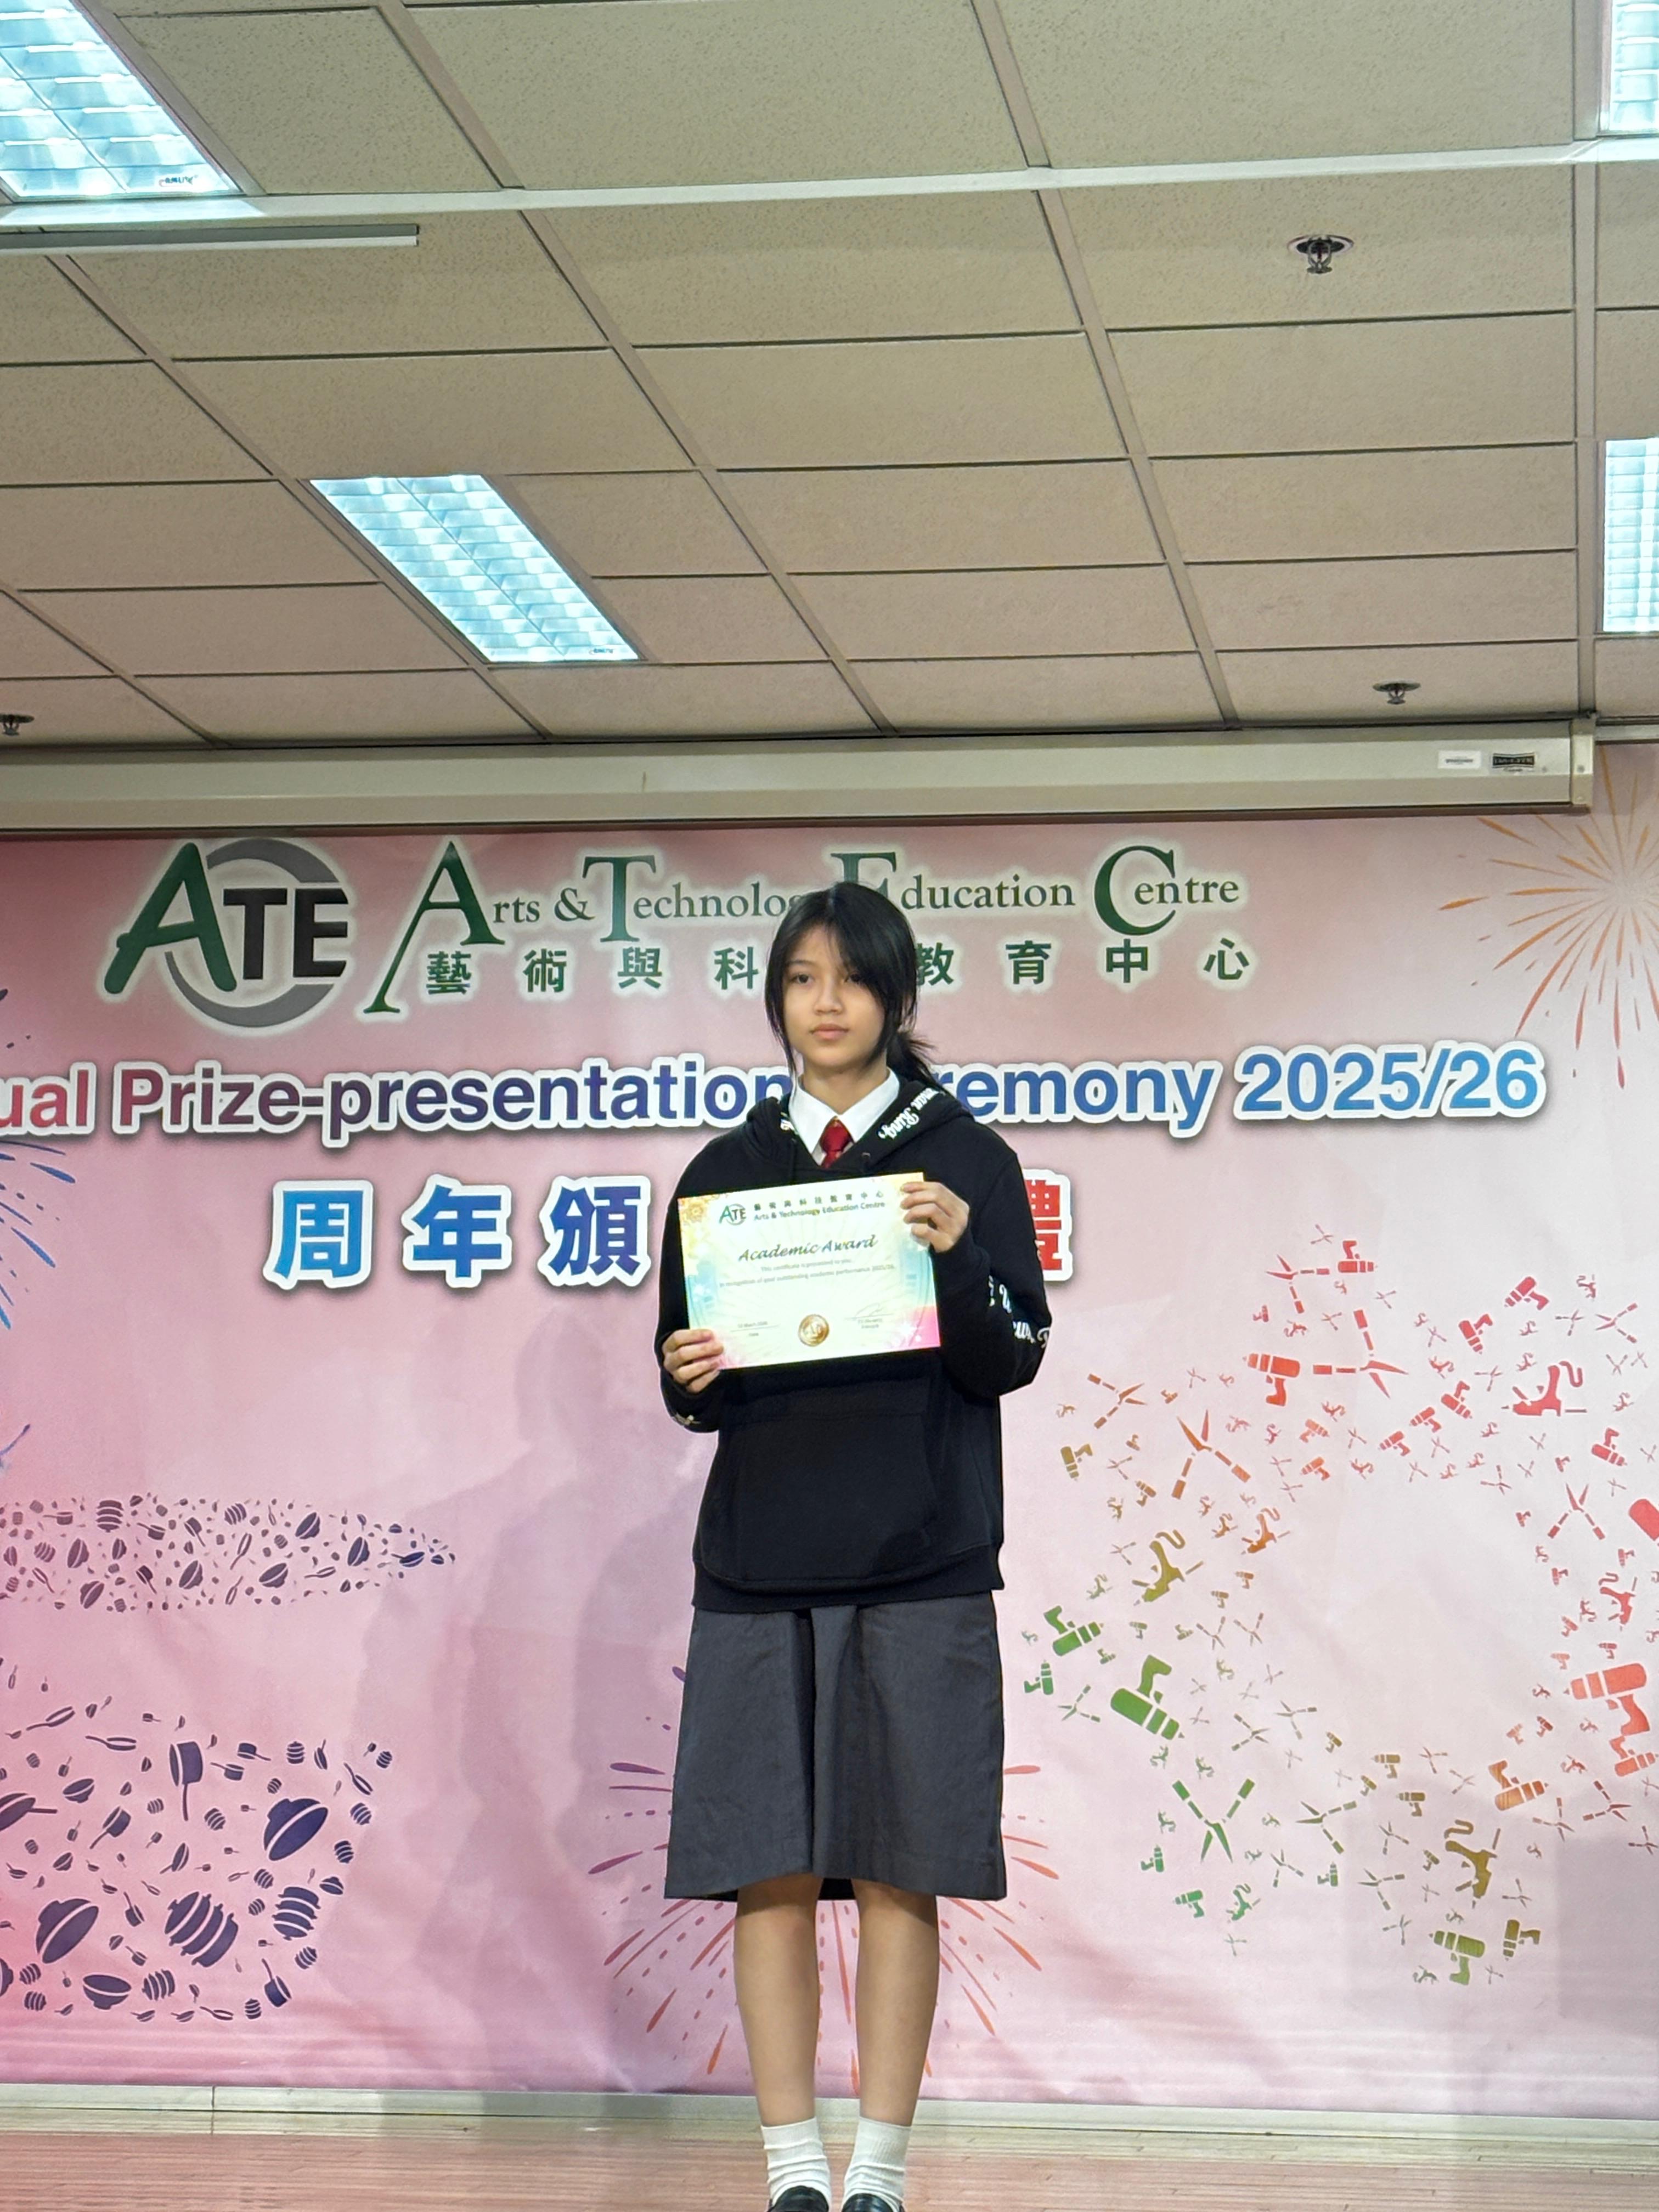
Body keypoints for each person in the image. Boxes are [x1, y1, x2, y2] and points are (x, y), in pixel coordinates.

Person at [654, 882, 1052, 2212]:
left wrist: (959, 1255)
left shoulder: (965, 1163)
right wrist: (688, 1373)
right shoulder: (724, 1173)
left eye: (852, 979)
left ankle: (879, 2167)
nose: (826, 1004)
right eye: (801, 979)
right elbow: (693, 1382)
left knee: (901, 1868)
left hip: (922, 1560)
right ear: (777, 998)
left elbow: (1011, 1357)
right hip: (758, 1564)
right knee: (764, 1874)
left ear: (897, 997)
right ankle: (790, 2167)